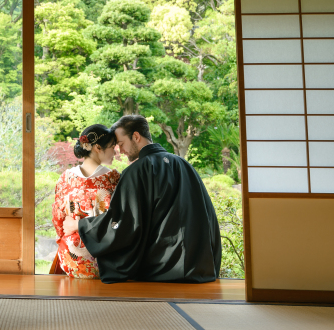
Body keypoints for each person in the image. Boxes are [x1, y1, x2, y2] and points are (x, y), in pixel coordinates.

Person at [63, 115, 221, 283]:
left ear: (136, 136)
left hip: (164, 270)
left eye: (121, 144)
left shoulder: (137, 171)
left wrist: (78, 225)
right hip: (199, 267)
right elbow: (209, 217)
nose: (120, 151)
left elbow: (123, 223)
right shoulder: (184, 165)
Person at [51, 124, 120, 278]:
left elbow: (58, 219)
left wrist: (69, 232)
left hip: (70, 259)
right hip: (104, 257)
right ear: (97, 148)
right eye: (112, 147)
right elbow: (117, 222)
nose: (115, 152)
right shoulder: (113, 179)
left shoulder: (66, 178)